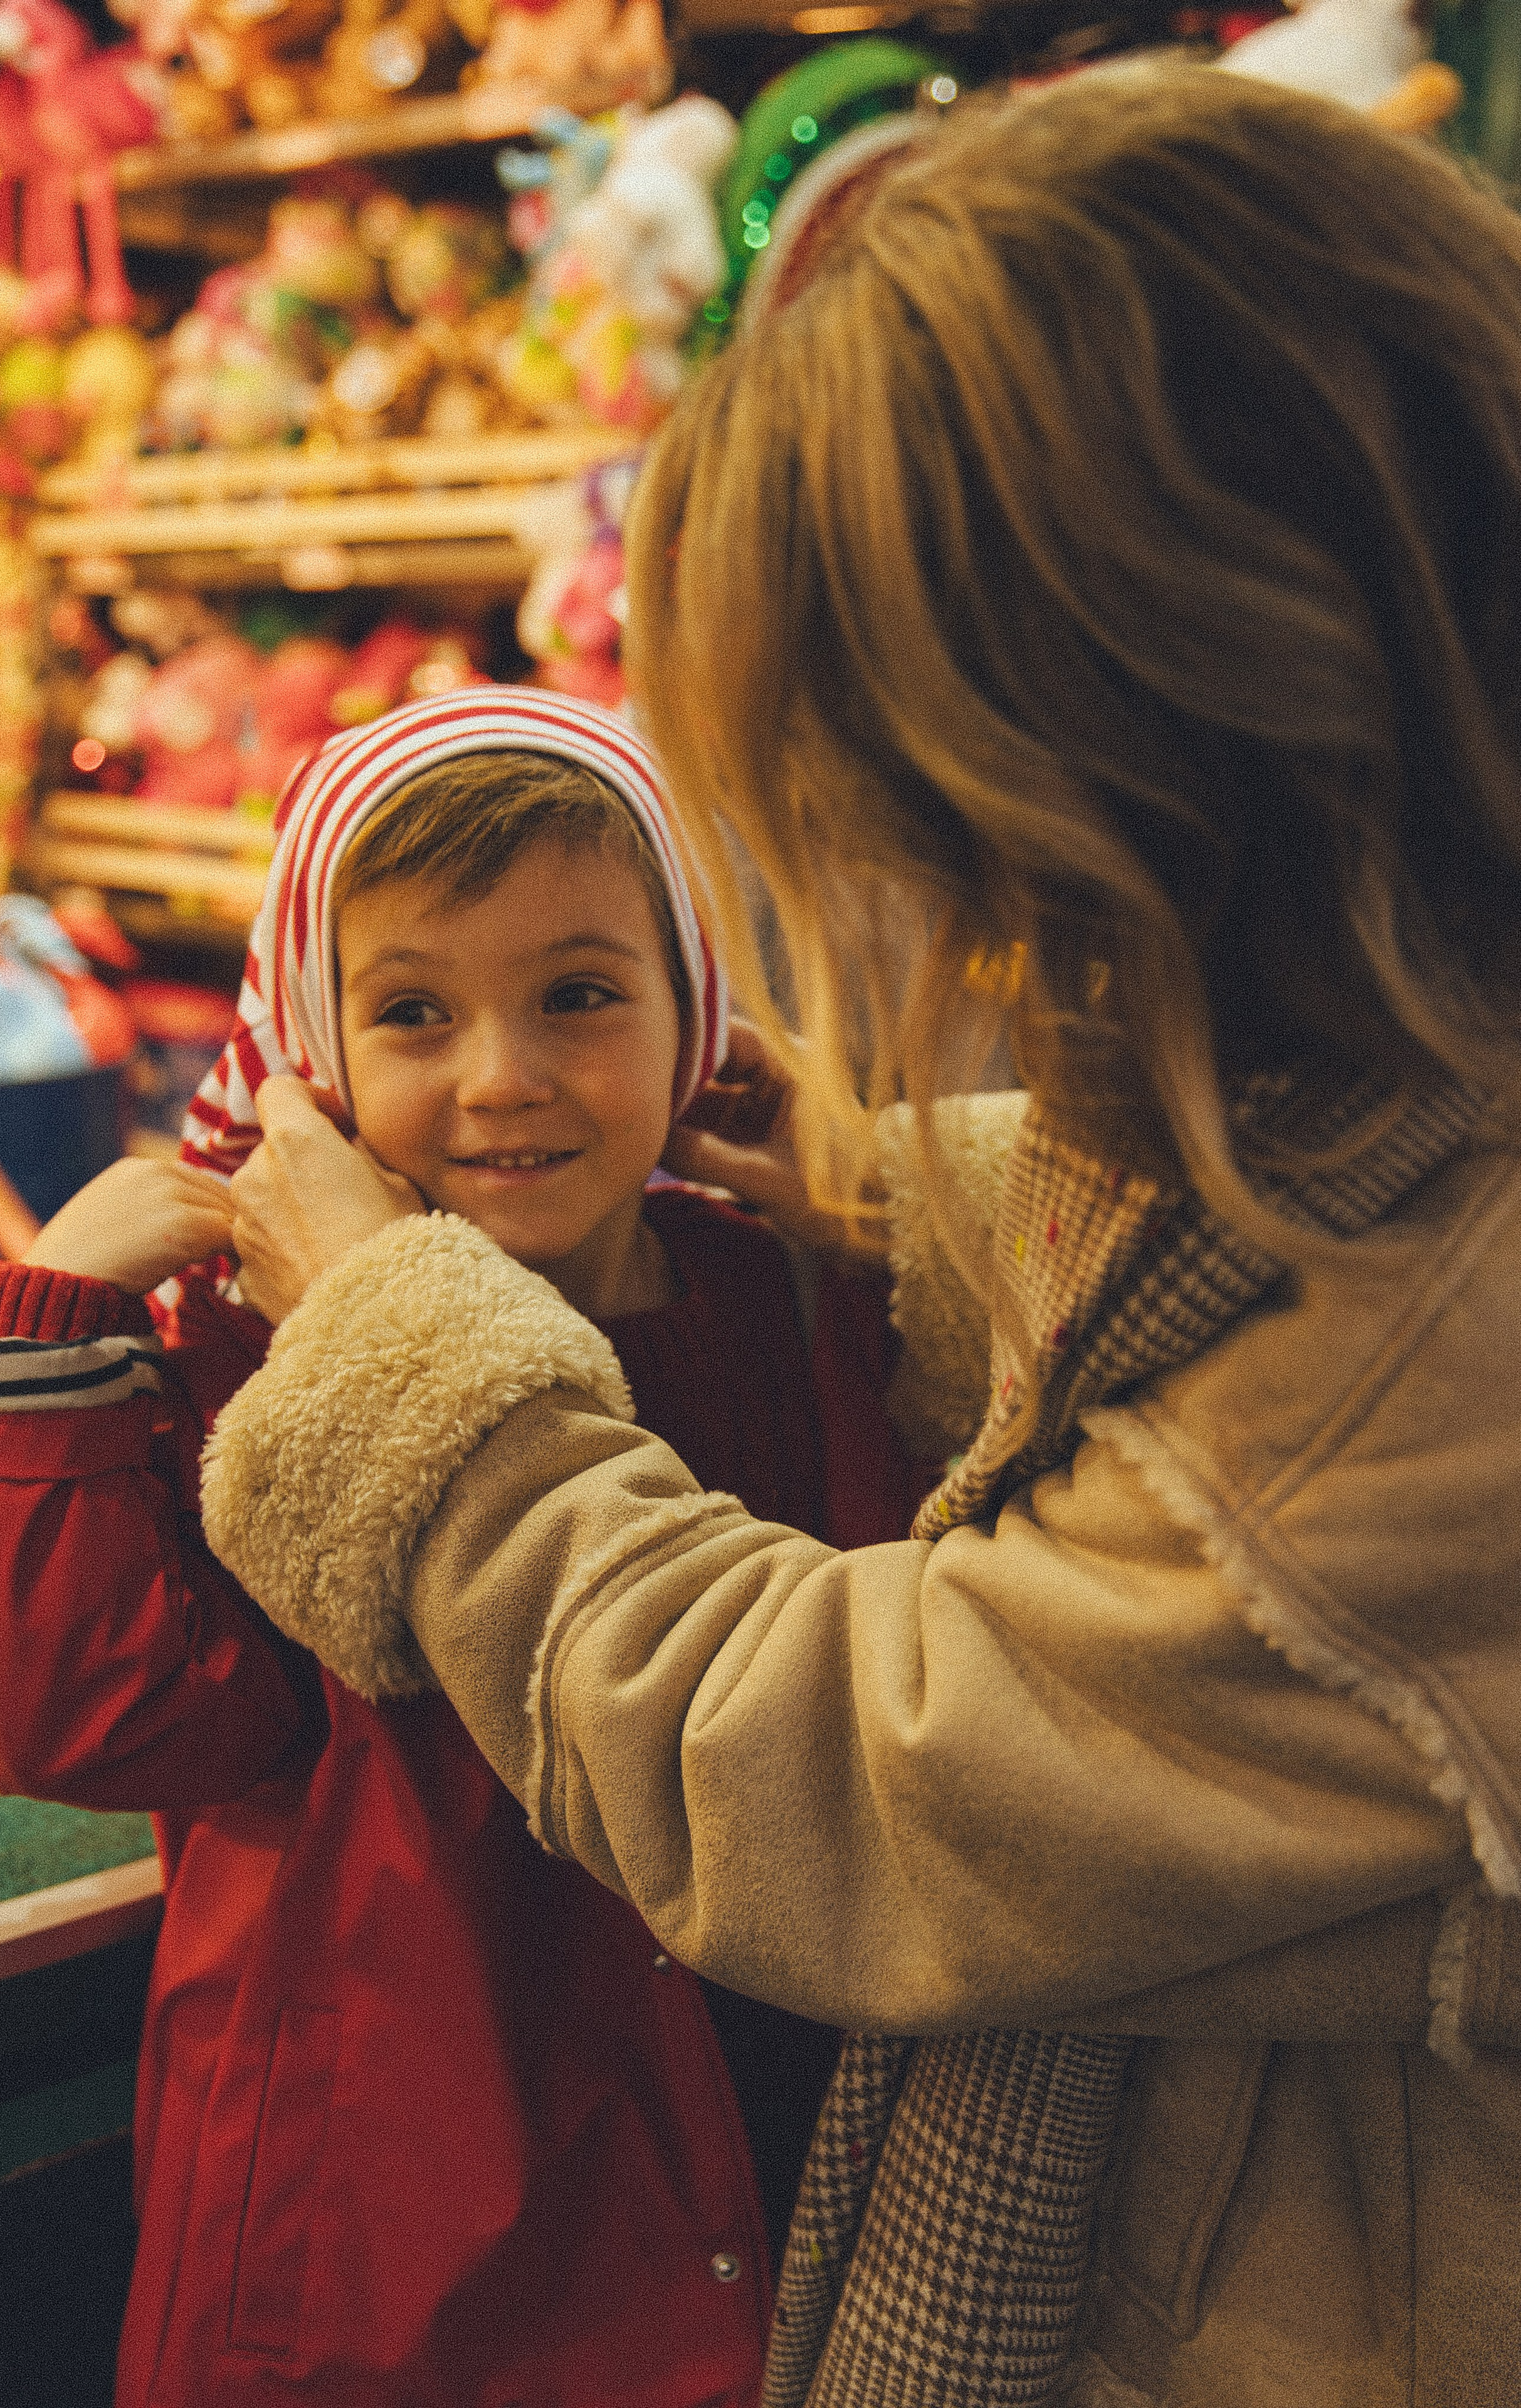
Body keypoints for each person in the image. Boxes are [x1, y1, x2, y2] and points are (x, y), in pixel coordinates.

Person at [191, 63, 1521, 2408]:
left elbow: (849, 1791)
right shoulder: (1405, 1028)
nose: (942, 913)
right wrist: (904, 1186)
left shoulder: (1422, 1385)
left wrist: (412, 1347)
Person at [0, 686, 932, 2407]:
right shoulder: (256, 1353)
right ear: (312, 1052)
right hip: (381, 2258)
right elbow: (86, 1716)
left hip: (772, 2179)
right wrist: (34, 1340)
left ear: (697, 1013)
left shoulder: (787, 1290)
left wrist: (868, 1200)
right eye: (412, 1010)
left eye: (581, 994)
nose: (502, 1077)